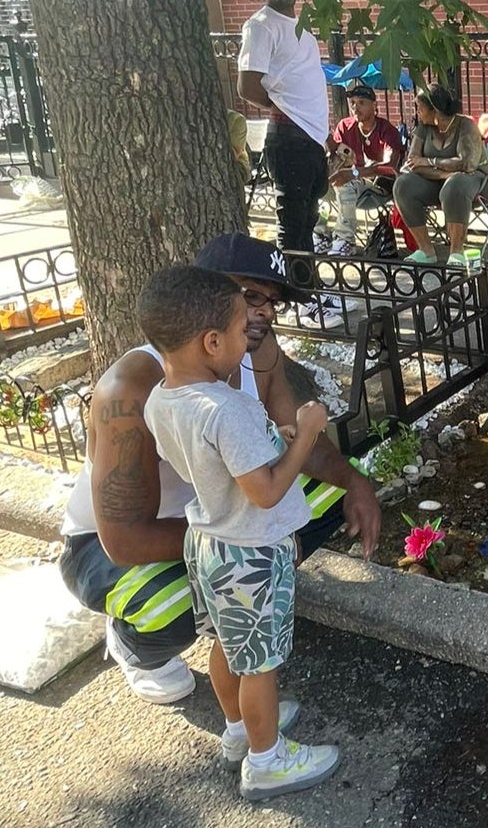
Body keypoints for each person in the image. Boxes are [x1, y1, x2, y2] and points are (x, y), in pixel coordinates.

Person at [58, 233, 382, 707]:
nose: (264, 314)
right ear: (205, 297)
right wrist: (241, 544)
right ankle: (138, 645)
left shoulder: (257, 350)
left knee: (325, 502)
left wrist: (356, 480)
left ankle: (235, 625)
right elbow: (124, 539)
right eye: (250, 297)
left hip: (219, 518)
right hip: (110, 548)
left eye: (272, 302)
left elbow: (297, 443)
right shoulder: (130, 388)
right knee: (186, 601)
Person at [138, 265, 340, 799]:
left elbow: (213, 464)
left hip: (207, 542)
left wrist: (276, 436)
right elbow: (266, 491)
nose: (246, 339)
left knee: (228, 647)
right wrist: (308, 432)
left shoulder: (162, 399)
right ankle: (267, 759)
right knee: (261, 665)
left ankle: (238, 730)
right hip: (251, 552)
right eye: (237, 331)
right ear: (211, 342)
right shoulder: (225, 409)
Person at [236, 0, 342, 326]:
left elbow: (308, 87)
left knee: (308, 219)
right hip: (288, 137)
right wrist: (285, 111)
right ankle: (301, 301)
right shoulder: (260, 26)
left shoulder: (302, 28)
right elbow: (247, 86)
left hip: (311, 141)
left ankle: (308, 286)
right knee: (293, 224)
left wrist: (327, 139)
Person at [391, 84, 488, 267]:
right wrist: (445, 174)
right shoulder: (423, 128)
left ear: (435, 110)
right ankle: (425, 250)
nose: (417, 112)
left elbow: (468, 164)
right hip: (438, 181)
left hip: (477, 180)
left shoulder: (466, 125)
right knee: (402, 185)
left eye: (420, 108)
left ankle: (457, 252)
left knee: (455, 185)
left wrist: (430, 162)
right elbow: (413, 162)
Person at [327, 85, 403, 256]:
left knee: (345, 184)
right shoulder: (344, 126)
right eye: (352, 102)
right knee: (315, 181)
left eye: (361, 103)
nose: (355, 107)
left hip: (378, 185)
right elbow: (336, 154)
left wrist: (354, 173)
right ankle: (320, 235)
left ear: (374, 106)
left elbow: (390, 166)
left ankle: (346, 239)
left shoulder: (386, 130)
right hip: (350, 179)